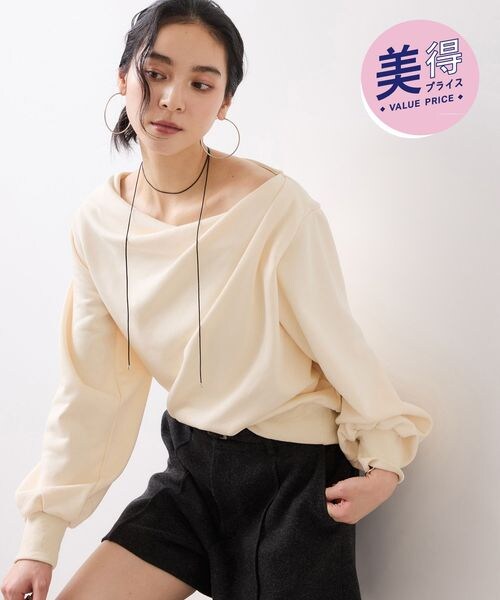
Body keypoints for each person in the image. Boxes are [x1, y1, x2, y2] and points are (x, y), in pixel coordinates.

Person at [2, 1, 434, 599]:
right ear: (123, 78)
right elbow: (93, 388)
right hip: (192, 469)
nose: (171, 98)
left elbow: (338, 342)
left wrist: (384, 461)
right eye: (155, 73)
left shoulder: (276, 208)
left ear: (224, 102)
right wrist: (40, 538)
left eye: (200, 84)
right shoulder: (98, 223)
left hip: (291, 478)